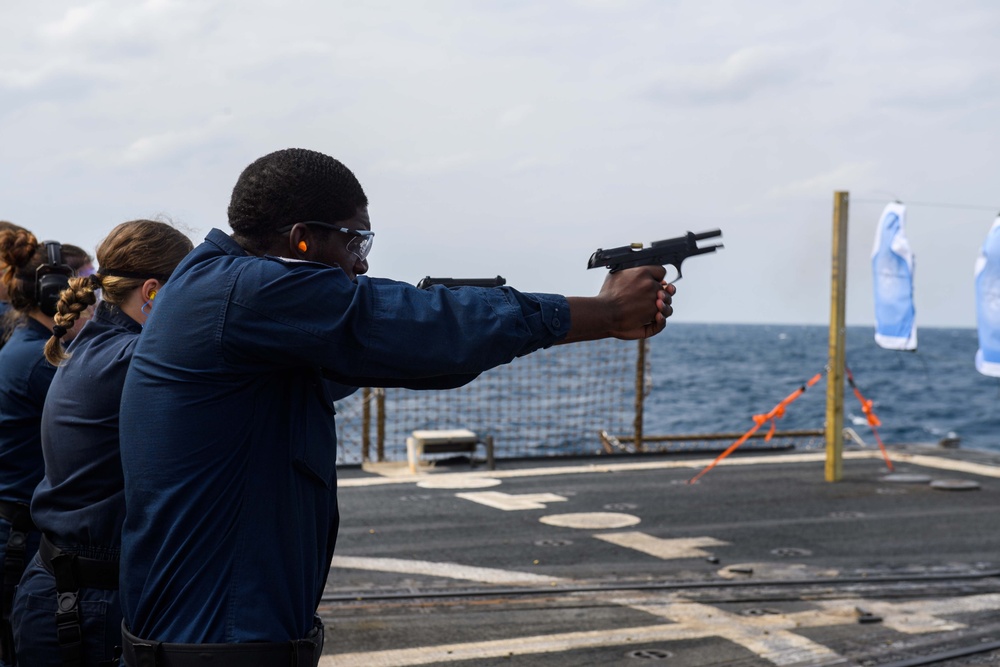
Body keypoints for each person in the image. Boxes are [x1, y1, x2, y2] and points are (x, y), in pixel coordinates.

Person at [117, 147, 675, 665]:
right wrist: (603, 315)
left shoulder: (234, 302)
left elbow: (424, 354)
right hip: (219, 641)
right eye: (355, 242)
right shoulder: (246, 293)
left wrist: (582, 320)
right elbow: (419, 324)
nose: (359, 265)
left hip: (216, 633)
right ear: (303, 239)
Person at [10, 220, 193, 666]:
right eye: (188, 287)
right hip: (86, 601)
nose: (194, 302)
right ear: (152, 291)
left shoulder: (98, 346)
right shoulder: (131, 360)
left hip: (66, 590)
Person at [0, 229, 91, 666]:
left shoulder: (26, 349)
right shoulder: (41, 363)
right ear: (55, 294)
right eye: (83, 285)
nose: (91, 299)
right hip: (16, 536)